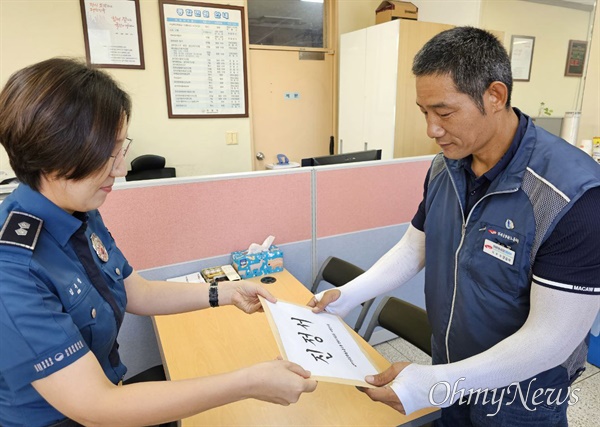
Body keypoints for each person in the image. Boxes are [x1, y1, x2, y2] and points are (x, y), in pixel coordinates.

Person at [0, 58, 317, 427]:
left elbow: (137, 292)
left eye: (121, 148)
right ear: (55, 152)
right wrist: (247, 382)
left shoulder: (78, 208)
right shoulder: (13, 267)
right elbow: (95, 407)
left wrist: (224, 293)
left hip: (112, 389)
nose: (120, 168)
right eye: (109, 152)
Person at [310, 26, 600, 426]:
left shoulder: (573, 195)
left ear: (495, 96)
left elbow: (554, 340)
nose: (432, 129)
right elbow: (416, 248)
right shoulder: (444, 167)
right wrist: (349, 294)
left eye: (444, 113)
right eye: (424, 112)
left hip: (518, 399)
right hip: (449, 370)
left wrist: (435, 382)